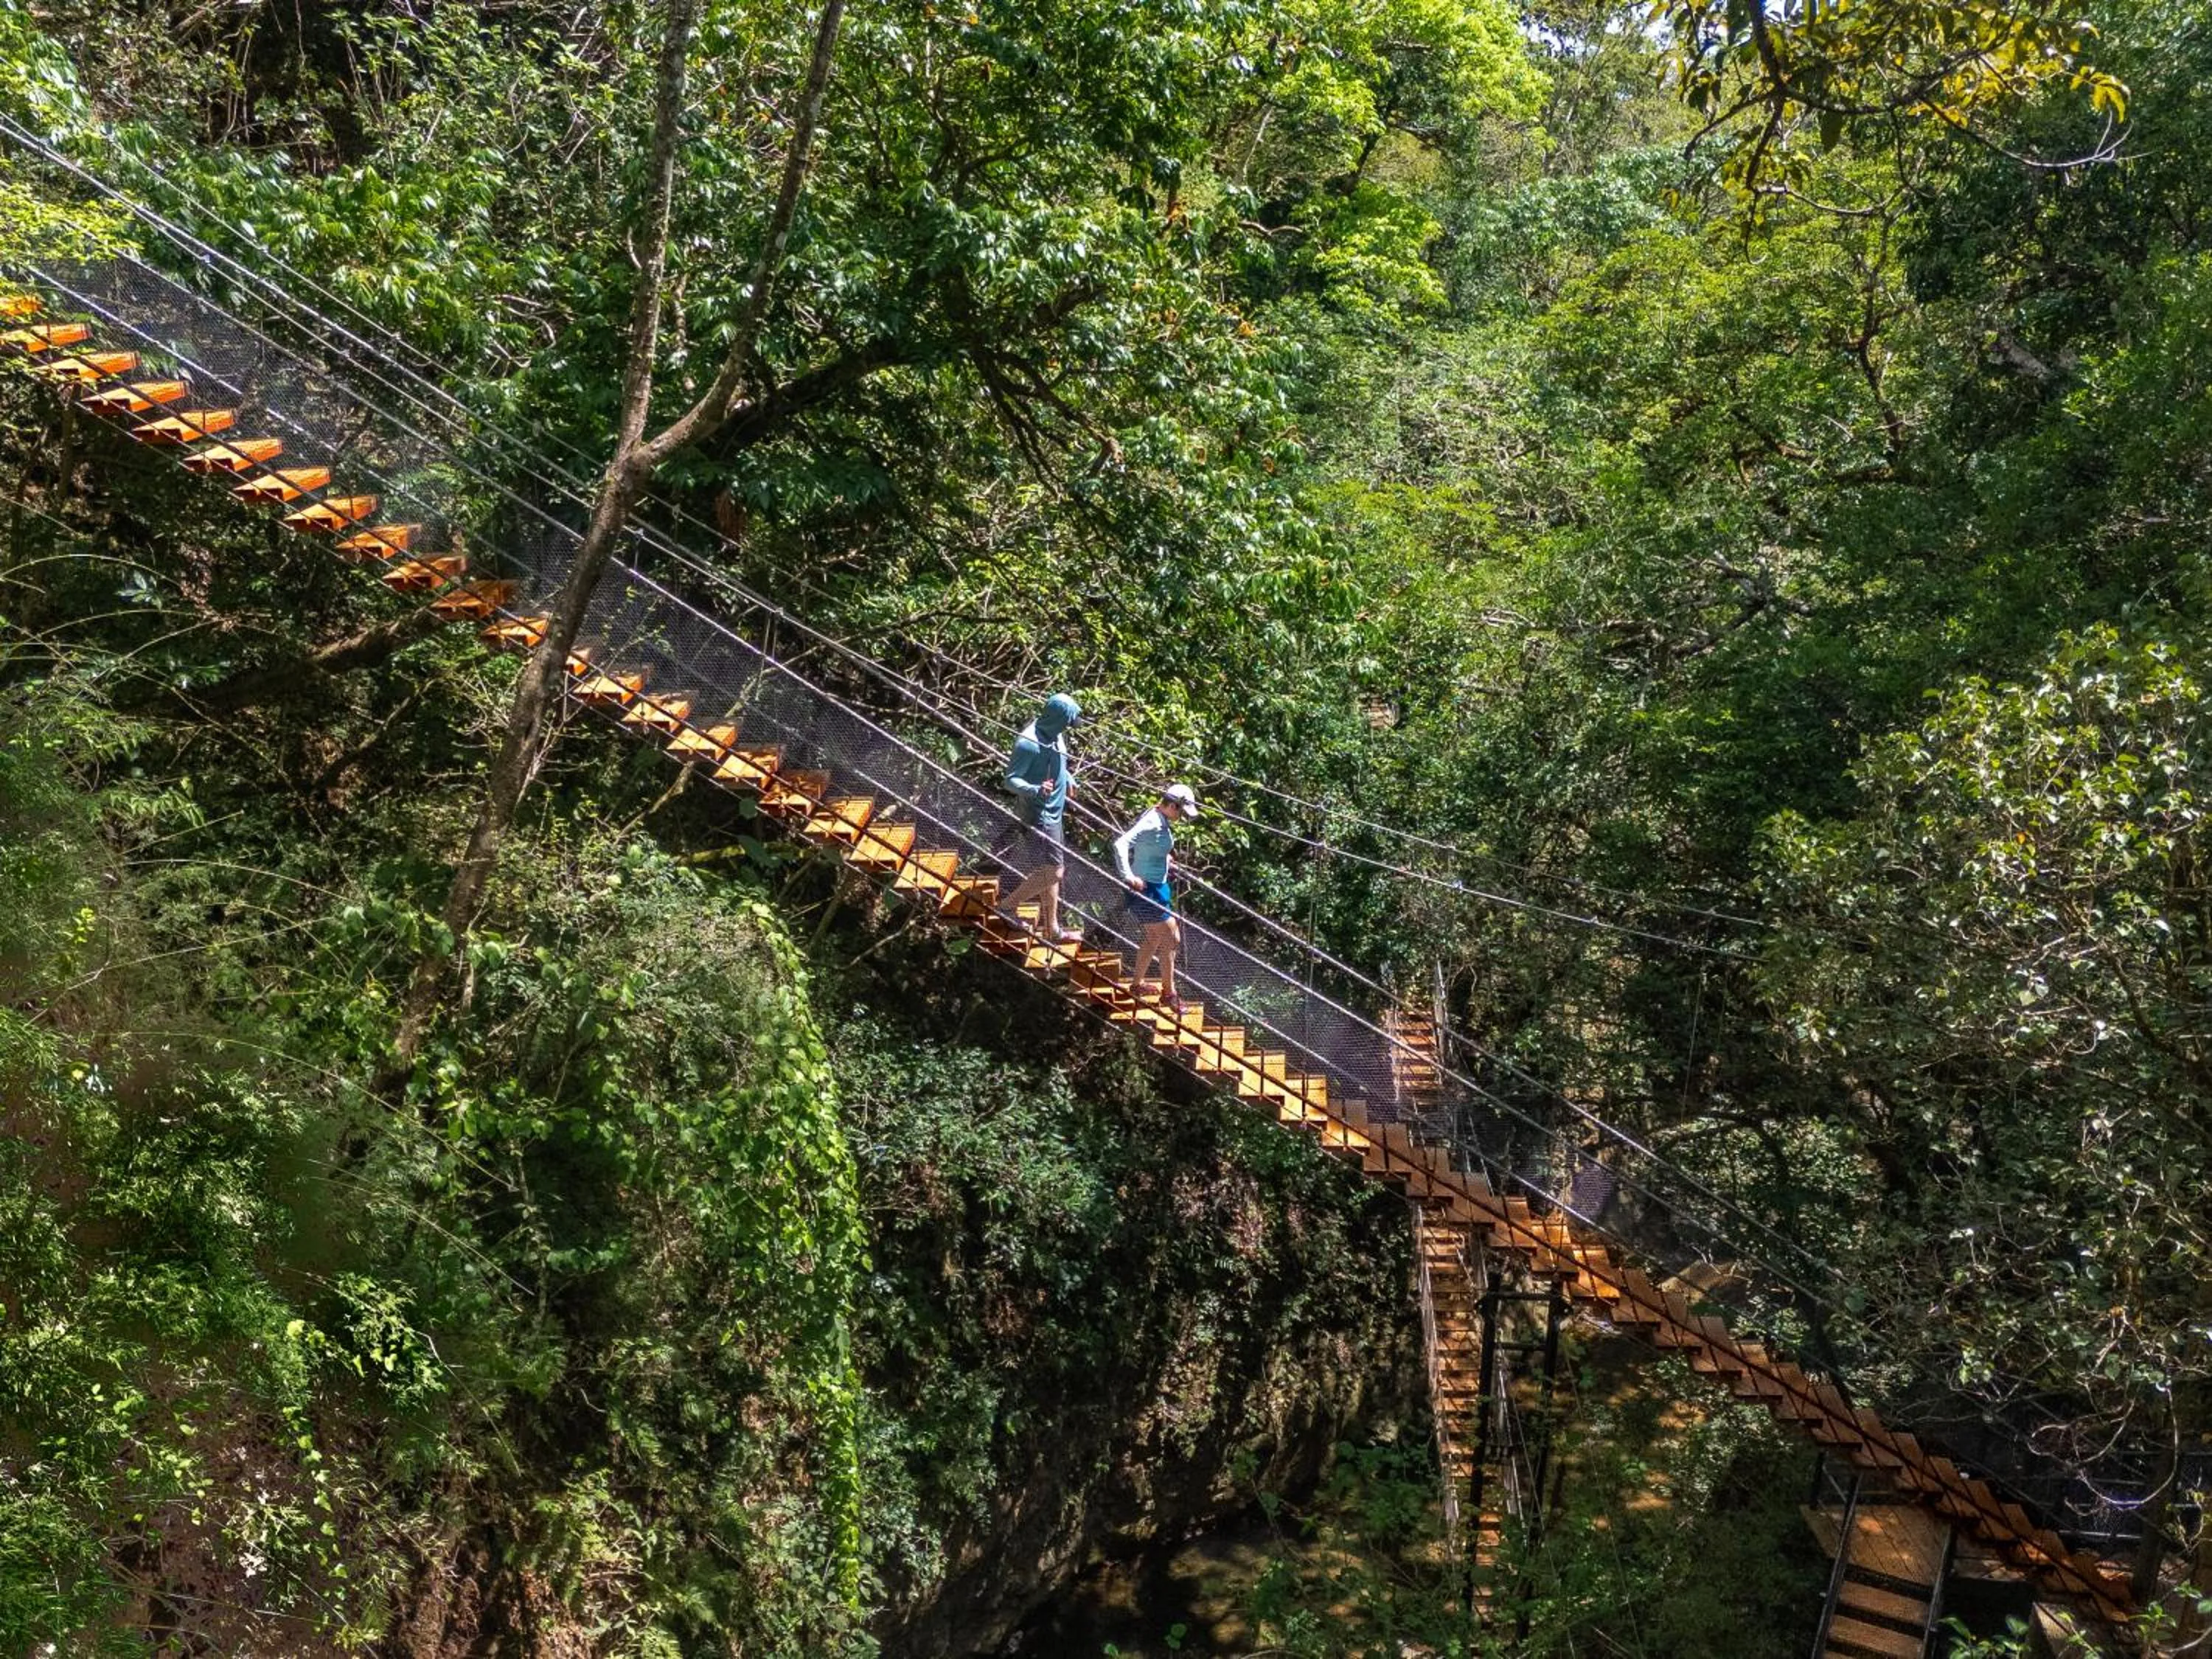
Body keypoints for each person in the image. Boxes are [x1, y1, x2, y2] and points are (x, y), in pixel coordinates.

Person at [1001, 692, 1083, 942]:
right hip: (1038, 816)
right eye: (1067, 723)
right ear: (1058, 719)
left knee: (1050, 871)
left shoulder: (1056, 734)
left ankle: (1053, 929)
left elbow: (1060, 761)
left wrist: (1068, 778)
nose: (1068, 729)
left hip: (1054, 814)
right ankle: (1006, 907)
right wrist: (1035, 789)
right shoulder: (1028, 743)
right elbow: (1010, 780)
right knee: (1054, 873)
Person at [1113, 782, 1197, 1009]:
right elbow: (1121, 844)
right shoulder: (1152, 821)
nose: (1182, 817)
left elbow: (1148, 847)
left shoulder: (1159, 817)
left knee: (1154, 938)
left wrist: (1164, 859)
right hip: (1145, 889)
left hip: (1157, 887)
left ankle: (1137, 984)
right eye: (1181, 811)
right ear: (1171, 805)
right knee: (1172, 937)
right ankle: (1169, 994)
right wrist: (1129, 876)